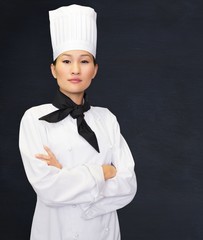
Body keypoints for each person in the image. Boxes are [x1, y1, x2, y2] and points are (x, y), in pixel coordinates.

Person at [18, 4, 137, 240]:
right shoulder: (34, 118)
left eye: (84, 61)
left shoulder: (107, 118)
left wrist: (66, 176)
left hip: (103, 231)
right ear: (53, 69)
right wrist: (104, 171)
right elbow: (48, 190)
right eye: (66, 61)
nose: (75, 70)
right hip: (54, 231)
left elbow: (128, 186)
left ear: (95, 70)